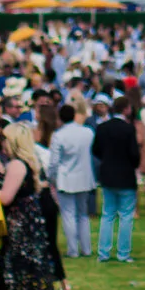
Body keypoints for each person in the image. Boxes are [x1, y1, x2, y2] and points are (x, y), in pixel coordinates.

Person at [0, 122, 60, 290]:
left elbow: (6, 197)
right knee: (27, 273)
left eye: (6, 139)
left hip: (20, 228)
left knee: (17, 274)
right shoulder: (28, 163)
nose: (3, 144)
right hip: (29, 225)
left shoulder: (17, 165)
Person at [92, 98, 142, 264]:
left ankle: (103, 252)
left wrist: (107, 160)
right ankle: (123, 253)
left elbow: (96, 150)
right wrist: (131, 164)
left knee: (107, 215)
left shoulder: (102, 127)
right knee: (126, 216)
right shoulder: (129, 129)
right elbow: (134, 154)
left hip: (107, 175)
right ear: (126, 109)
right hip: (126, 175)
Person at [51, 102, 97, 259]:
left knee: (68, 214)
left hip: (66, 178)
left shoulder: (59, 135)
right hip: (84, 177)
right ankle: (86, 248)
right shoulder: (88, 132)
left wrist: (51, 177)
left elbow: (54, 161)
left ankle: (73, 250)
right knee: (82, 214)